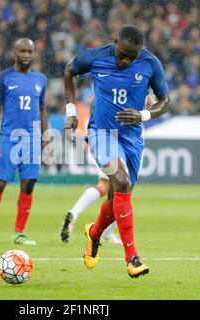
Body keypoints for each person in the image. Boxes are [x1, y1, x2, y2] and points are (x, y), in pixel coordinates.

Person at [63, 26, 170, 278]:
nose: (125, 61)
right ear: (115, 43)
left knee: (118, 196)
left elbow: (165, 101)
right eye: (122, 54)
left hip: (132, 138)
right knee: (120, 181)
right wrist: (71, 111)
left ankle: (94, 234)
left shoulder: (150, 64)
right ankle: (132, 258)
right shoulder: (96, 57)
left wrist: (144, 114)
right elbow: (69, 70)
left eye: (131, 57)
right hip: (102, 133)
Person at [0, 38, 48, 246]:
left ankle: (19, 233)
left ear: (34, 53)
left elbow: (42, 109)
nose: (26, 55)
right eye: (22, 51)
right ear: (14, 53)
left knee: (28, 184)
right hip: (9, 138)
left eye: (30, 51)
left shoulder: (40, 79)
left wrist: (46, 138)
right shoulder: (3, 78)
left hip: (32, 140)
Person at [60, 95, 157, 245]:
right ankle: (105, 233)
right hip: (120, 138)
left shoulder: (108, 81)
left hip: (101, 132)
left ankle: (77, 213)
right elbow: (154, 106)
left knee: (108, 185)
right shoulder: (136, 81)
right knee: (121, 188)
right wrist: (142, 112)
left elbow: (92, 100)